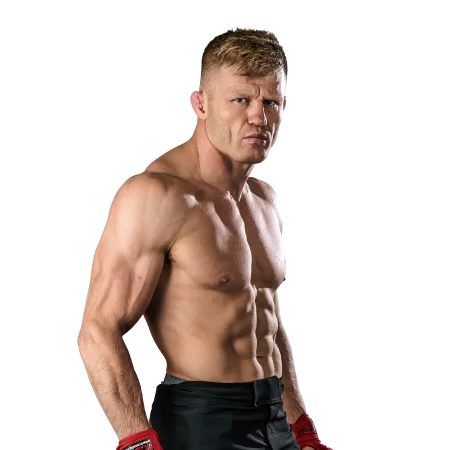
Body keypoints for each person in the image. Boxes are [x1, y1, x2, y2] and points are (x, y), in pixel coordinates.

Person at [78, 29, 331, 450]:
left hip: (274, 415)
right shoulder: (157, 196)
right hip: (201, 421)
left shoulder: (262, 198)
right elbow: (100, 330)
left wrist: (299, 422)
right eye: (241, 100)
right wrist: (136, 438)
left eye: (271, 102)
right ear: (201, 103)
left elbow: (263, 317)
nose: (258, 117)